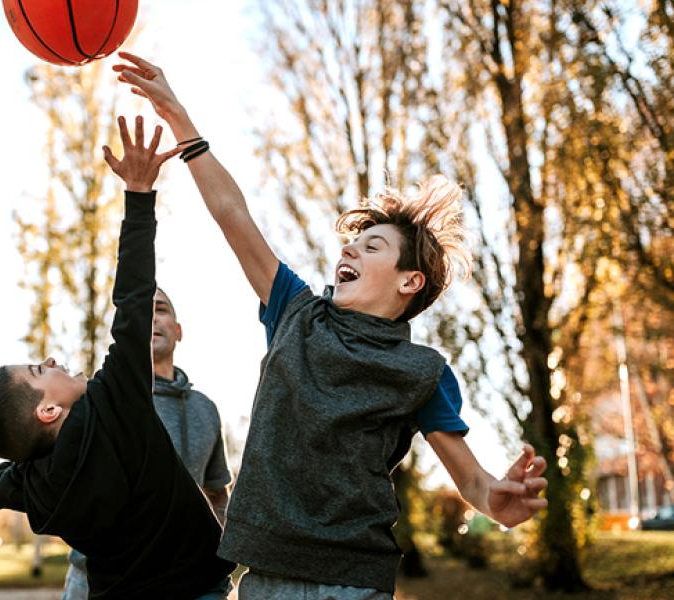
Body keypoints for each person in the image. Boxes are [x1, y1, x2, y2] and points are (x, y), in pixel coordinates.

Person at [112, 52, 549, 600]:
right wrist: (178, 116)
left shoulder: (422, 371)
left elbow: (473, 480)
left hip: (354, 580)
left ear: (409, 282)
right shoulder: (295, 311)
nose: (349, 248)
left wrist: (495, 503)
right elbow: (233, 214)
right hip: (265, 576)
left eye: (372, 246)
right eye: (352, 242)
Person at [0, 116, 234, 600]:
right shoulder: (115, 405)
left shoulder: (39, 486)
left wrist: (23, 466)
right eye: (40, 371)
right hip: (197, 589)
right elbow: (133, 296)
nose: (51, 359)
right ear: (48, 410)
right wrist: (139, 193)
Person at [63, 287, 232, 600]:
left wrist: (216, 551)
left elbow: (216, 491)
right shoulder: (97, 400)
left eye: (161, 309)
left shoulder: (204, 408)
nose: (151, 318)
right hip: (96, 582)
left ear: (178, 331)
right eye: (142, 310)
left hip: (182, 582)